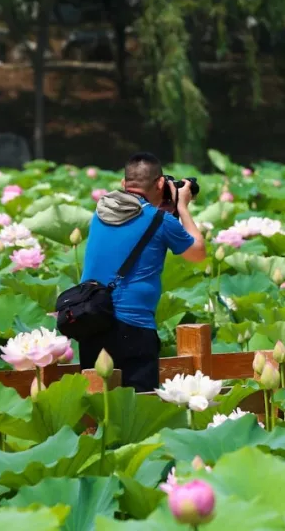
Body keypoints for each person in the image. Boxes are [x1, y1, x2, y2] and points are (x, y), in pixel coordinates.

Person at [79, 152, 207, 391]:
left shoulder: (100, 213)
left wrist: (162, 209)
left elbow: (137, 222)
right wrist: (182, 206)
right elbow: (197, 253)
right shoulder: (160, 221)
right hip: (133, 327)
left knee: (97, 407)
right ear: (160, 183)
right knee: (139, 405)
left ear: (123, 184)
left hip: (91, 322)